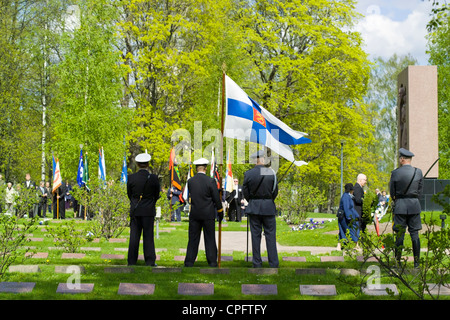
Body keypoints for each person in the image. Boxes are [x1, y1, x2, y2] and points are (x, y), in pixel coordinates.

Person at [184, 158, 223, 267]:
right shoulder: (210, 181)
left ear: (197, 168)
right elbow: (215, 198)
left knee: (193, 239)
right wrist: (220, 211)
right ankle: (212, 261)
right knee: (209, 238)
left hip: (195, 213)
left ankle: (189, 261)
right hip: (208, 214)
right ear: (206, 168)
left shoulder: (190, 181)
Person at [243, 150, 279, 268]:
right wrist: (268, 199)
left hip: (254, 207)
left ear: (255, 160)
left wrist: (253, 200)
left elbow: (245, 192)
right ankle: (273, 263)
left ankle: (257, 262)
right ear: (263, 159)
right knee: (270, 236)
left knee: (255, 236)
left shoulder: (249, 174)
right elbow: (275, 191)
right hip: (268, 206)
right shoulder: (271, 173)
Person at [389, 148, 423, 268]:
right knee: (415, 235)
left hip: (400, 206)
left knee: (399, 235)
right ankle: (417, 263)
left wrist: (397, 200)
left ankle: (397, 261)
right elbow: (420, 191)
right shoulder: (418, 172)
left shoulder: (395, 173)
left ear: (402, 159)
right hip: (414, 205)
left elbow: (392, 192)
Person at [126, 152, 161, 266]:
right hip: (148, 210)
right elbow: (156, 194)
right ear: (148, 164)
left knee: (134, 237)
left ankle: (131, 261)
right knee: (148, 237)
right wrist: (150, 202)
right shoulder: (154, 178)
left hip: (136, 210)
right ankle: (150, 261)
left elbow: (129, 194)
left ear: (137, 164)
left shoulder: (131, 178)